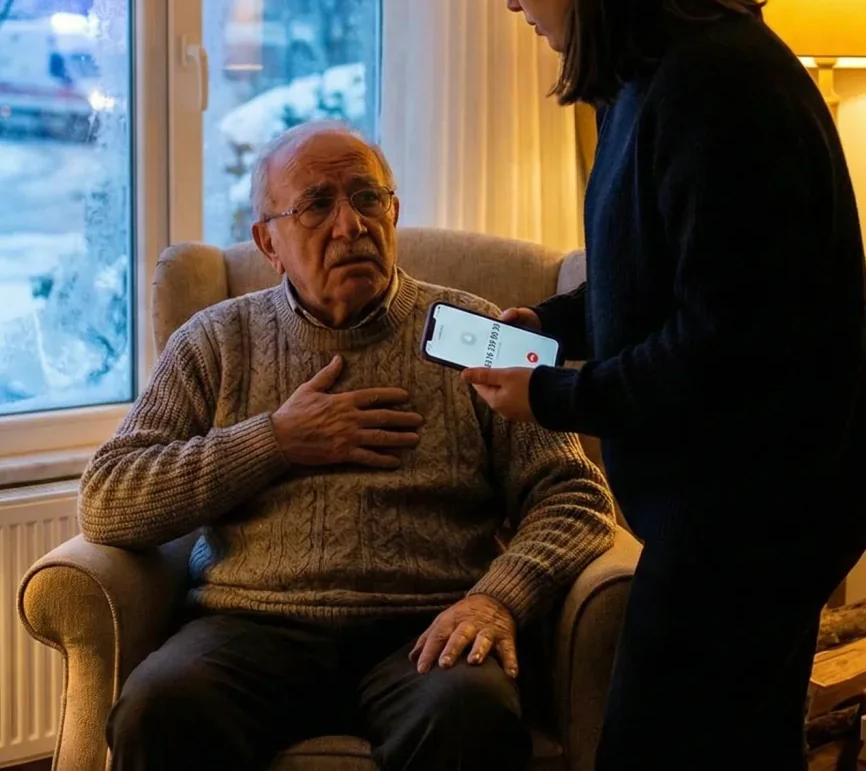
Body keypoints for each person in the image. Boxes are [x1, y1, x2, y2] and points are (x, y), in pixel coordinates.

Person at [462, 0, 866, 769]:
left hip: (773, 492)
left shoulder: (719, 85)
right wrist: (552, 322)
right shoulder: (647, 77)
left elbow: (722, 339)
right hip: (740, 484)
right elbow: (661, 279)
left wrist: (554, 394)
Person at [80, 121, 616, 771]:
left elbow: (576, 493)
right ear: (267, 241)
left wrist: (498, 595)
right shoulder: (217, 341)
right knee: (158, 707)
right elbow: (108, 498)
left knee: (471, 717)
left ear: (393, 212)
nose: (350, 225)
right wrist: (276, 439)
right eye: (316, 204)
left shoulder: (477, 333)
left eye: (368, 198)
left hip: (427, 625)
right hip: (249, 628)